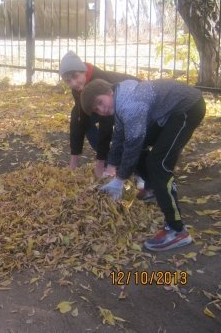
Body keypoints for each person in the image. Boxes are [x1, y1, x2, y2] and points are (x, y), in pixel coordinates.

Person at [80, 78, 205, 251]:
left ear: (109, 92)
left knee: (158, 164)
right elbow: (119, 139)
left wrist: (120, 180)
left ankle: (177, 230)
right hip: (169, 112)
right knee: (134, 148)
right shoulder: (119, 99)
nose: (102, 110)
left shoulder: (130, 105)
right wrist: (112, 166)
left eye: (100, 102)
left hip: (187, 108)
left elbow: (134, 142)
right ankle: (154, 189)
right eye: (96, 109)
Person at [59, 51, 138, 178]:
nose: (73, 83)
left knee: (129, 134)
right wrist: (74, 160)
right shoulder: (77, 88)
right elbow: (81, 119)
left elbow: (106, 125)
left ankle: (131, 167)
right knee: (78, 116)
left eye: (75, 76)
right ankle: (106, 160)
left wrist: (99, 164)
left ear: (83, 71)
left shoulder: (99, 79)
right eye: (68, 81)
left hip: (133, 99)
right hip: (109, 105)